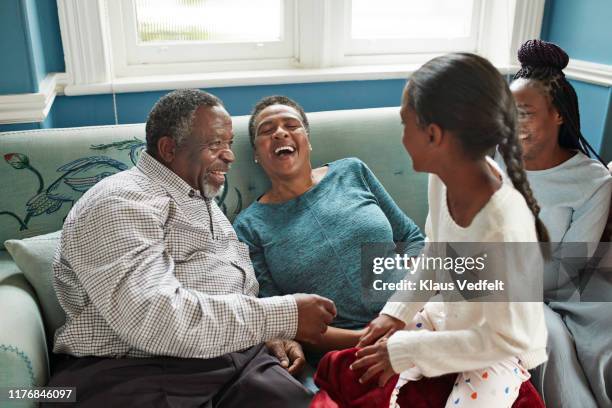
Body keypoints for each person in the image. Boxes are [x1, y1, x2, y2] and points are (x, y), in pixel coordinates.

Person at [46, 89, 338, 407]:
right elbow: (154, 321)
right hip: (138, 369)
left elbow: (223, 283)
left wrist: (267, 334)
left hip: (235, 361)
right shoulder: (121, 201)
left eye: (228, 143)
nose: (230, 156)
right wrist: (284, 316)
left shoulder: (197, 194)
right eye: (216, 145)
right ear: (169, 148)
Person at [351, 53, 549, 407]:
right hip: (447, 315)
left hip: (497, 348)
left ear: (433, 135)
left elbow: (504, 338)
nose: (401, 137)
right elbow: (436, 253)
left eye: (404, 124)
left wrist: (406, 349)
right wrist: (395, 313)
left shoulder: (503, 225)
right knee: (363, 371)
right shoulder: (443, 177)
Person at [233, 95, 425, 356]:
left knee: (488, 279)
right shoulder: (248, 227)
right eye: (267, 130)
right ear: (256, 154)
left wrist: (409, 309)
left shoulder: (352, 171)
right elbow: (284, 318)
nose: (280, 133)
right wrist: (366, 339)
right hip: (353, 348)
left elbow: (411, 238)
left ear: (307, 141)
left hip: (419, 312)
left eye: (291, 126)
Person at [496, 39, 612, 408]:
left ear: (557, 114)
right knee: (550, 340)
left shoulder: (592, 180)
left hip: (570, 285)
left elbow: (569, 265)